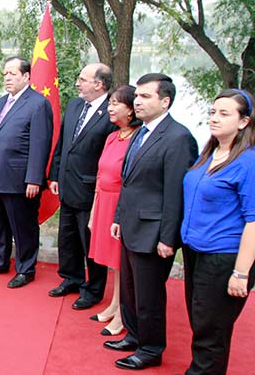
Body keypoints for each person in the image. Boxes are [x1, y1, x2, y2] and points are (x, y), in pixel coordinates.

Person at [104, 73, 198, 371]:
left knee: (149, 295)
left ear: (165, 101)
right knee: (131, 290)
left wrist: (168, 238)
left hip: (154, 231)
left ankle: (151, 349)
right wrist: (119, 217)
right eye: (137, 96)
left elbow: (174, 193)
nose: (137, 101)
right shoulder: (141, 131)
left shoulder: (178, 138)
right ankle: (134, 335)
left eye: (145, 96)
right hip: (131, 225)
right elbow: (128, 182)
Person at [181, 89, 255, 374]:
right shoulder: (210, 151)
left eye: (224, 114)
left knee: (211, 330)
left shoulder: (247, 161)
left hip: (223, 256)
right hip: (195, 250)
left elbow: (253, 220)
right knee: (200, 322)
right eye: (213, 112)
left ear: (243, 122)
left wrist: (241, 272)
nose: (214, 118)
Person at [0, 56, 53, 288]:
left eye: (12, 73)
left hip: (19, 177)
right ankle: (0, 261)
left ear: (26, 76)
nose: (7, 78)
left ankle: (25, 268)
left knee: (23, 226)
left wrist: (34, 178)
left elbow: (40, 143)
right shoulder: (2, 101)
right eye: (5, 74)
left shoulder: (38, 103)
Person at [48, 63, 117, 309]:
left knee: (90, 241)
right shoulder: (75, 105)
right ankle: (72, 278)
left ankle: (94, 288)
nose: (77, 83)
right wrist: (55, 174)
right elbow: (63, 143)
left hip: (91, 191)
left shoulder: (111, 112)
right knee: (67, 238)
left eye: (82, 79)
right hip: (67, 185)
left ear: (99, 84)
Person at [87, 85, 141, 336]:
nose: (110, 107)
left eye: (116, 103)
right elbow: (100, 175)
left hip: (120, 205)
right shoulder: (112, 136)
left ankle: (123, 312)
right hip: (104, 202)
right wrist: (94, 210)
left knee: (121, 261)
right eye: (109, 102)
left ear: (130, 109)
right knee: (111, 261)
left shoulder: (137, 138)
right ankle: (114, 304)